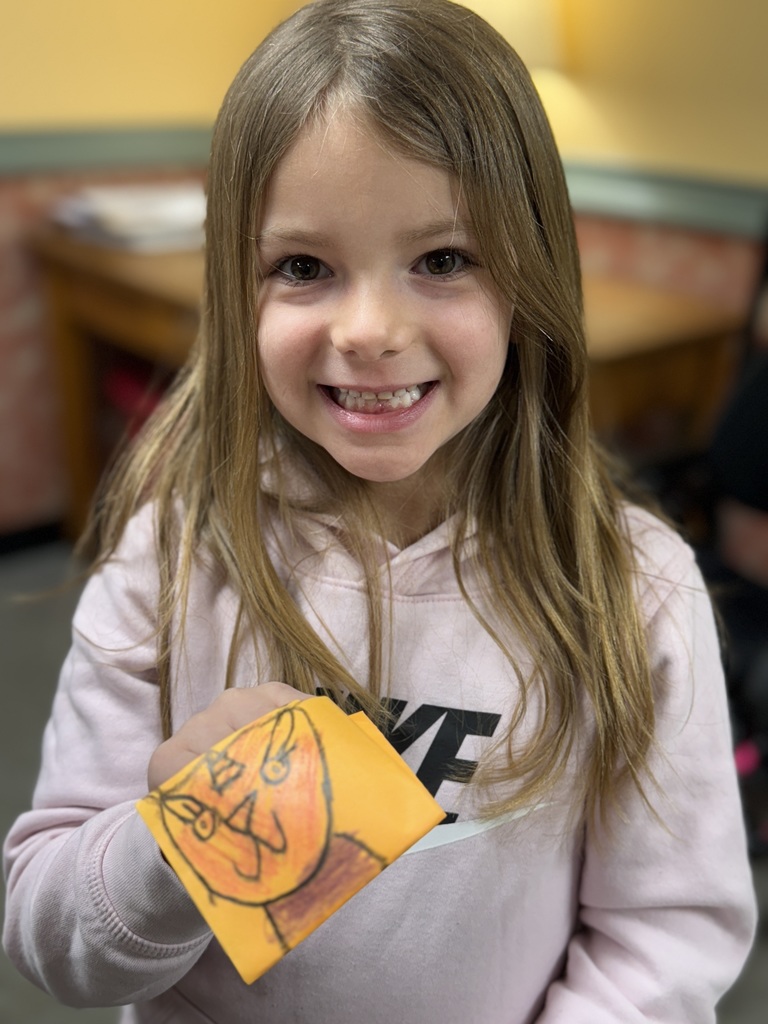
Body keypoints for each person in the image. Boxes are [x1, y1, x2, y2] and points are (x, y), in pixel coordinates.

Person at [2, 1, 756, 1021]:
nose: (369, 330)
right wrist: (178, 840)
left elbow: (666, 936)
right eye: (305, 268)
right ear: (239, 289)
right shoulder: (172, 558)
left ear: (528, 276)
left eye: (443, 259)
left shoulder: (634, 587)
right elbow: (54, 942)